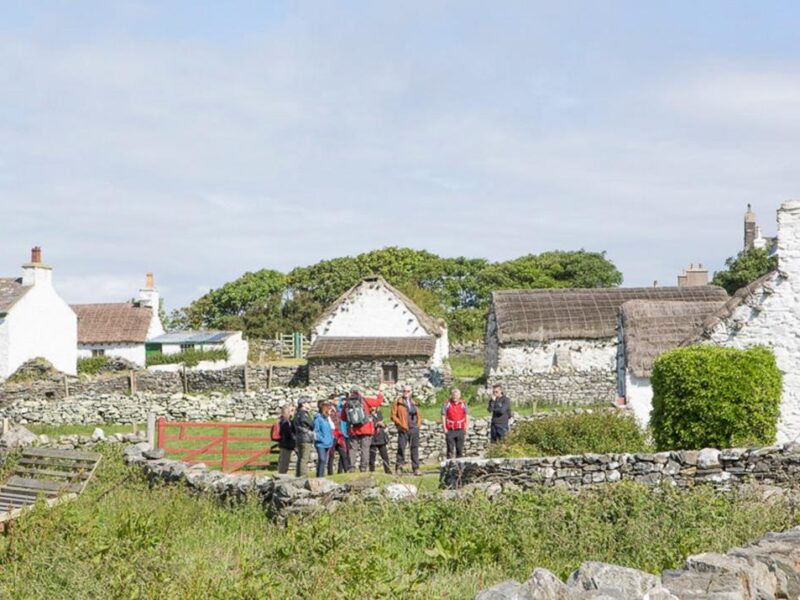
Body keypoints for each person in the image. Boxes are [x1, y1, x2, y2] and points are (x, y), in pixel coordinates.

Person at [340, 386, 384, 472]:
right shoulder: (364, 400)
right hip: (366, 428)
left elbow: (343, 418)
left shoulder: (347, 403)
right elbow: (378, 403)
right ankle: (363, 468)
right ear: (359, 392)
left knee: (352, 449)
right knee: (365, 449)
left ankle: (351, 467)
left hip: (353, 430)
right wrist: (380, 394)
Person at [391, 384, 421, 475]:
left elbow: (419, 415)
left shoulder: (414, 402)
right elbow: (393, 416)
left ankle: (416, 468)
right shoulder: (398, 402)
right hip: (403, 429)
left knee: (414, 449)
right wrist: (400, 424)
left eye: (408, 391)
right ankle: (399, 467)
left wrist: (418, 425)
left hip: (414, 428)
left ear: (411, 392)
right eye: (404, 391)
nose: (406, 393)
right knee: (401, 448)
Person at [441, 387, 469, 459]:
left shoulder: (463, 404)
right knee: (450, 449)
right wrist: (444, 428)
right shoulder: (446, 404)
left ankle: (459, 467)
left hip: (460, 429)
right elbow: (443, 416)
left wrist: (466, 427)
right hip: (450, 430)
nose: (455, 397)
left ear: (459, 396)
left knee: (459, 449)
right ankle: (449, 466)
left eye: (456, 395)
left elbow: (467, 416)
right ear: (451, 395)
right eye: (453, 395)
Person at [328, 395, 350, 474]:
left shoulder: (337, 409)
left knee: (343, 453)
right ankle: (330, 472)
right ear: (332, 400)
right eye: (335, 400)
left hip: (339, 434)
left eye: (338, 400)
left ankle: (346, 470)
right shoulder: (329, 409)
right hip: (333, 434)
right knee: (331, 454)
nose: (337, 401)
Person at [293, 396, 315, 477]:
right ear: (303, 404)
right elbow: (312, 424)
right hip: (305, 438)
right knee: (304, 459)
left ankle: (298, 475)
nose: (309, 404)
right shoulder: (303, 414)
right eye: (308, 403)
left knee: (300, 458)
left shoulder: (297, 414)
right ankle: (303, 476)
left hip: (299, 438)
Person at [313, 400, 334, 478]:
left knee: (324, 460)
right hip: (320, 444)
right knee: (321, 459)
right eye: (329, 410)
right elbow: (316, 431)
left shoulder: (326, 419)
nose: (330, 412)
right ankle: (320, 476)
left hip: (327, 443)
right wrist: (321, 439)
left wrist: (331, 438)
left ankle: (321, 476)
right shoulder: (318, 419)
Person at [368, 404, 391, 474]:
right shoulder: (368, 415)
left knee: (385, 456)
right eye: (372, 406)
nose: (374, 407)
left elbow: (384, 424)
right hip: (373, 438)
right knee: (372, 456)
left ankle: (387, 470)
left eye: (375, 406)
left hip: (381, 437)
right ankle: (372, 471)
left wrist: (383, 424)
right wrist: (376, 424)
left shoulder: (379, 413)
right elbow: (369, 425)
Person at [276, 403, 296, 475]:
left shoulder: (289, 421)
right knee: (283, 464)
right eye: (291, 410)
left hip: (286, 444)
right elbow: (287, 433)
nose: (293, 412)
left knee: (285, 463)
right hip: (285, 444)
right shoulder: (284, 421)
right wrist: (294, 438)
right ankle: (280, 479)